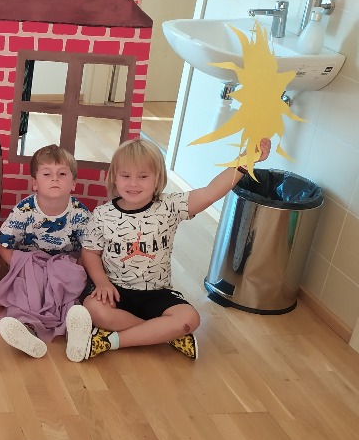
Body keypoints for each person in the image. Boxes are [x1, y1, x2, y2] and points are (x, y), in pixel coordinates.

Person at [77, 137, 272, 361]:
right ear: (114, 177)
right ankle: (167, 335)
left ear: (158, 178)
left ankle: (110, 341)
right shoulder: (102, 215)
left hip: (157, 293)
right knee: (92, 308)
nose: (133, 184)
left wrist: (246, 160)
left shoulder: (170, 206)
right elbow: (90, 252)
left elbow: (210, 192)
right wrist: (102, 282)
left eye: (143, 176)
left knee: (190, 319)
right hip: (116, 290)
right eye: (125, 176)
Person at [0, 144, 93, 361]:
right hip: (32, 262)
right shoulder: (24, 210)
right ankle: (27, 328)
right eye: (47, 174)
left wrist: (77, 270)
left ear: (73, 183)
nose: (55, 179)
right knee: (27, 287)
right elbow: (2, 244)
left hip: (65, 263)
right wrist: (21, 266)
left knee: (70, 283)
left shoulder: (81, 213)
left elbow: (89, 249)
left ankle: (74, 330)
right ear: (35, 183)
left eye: (62, 174)